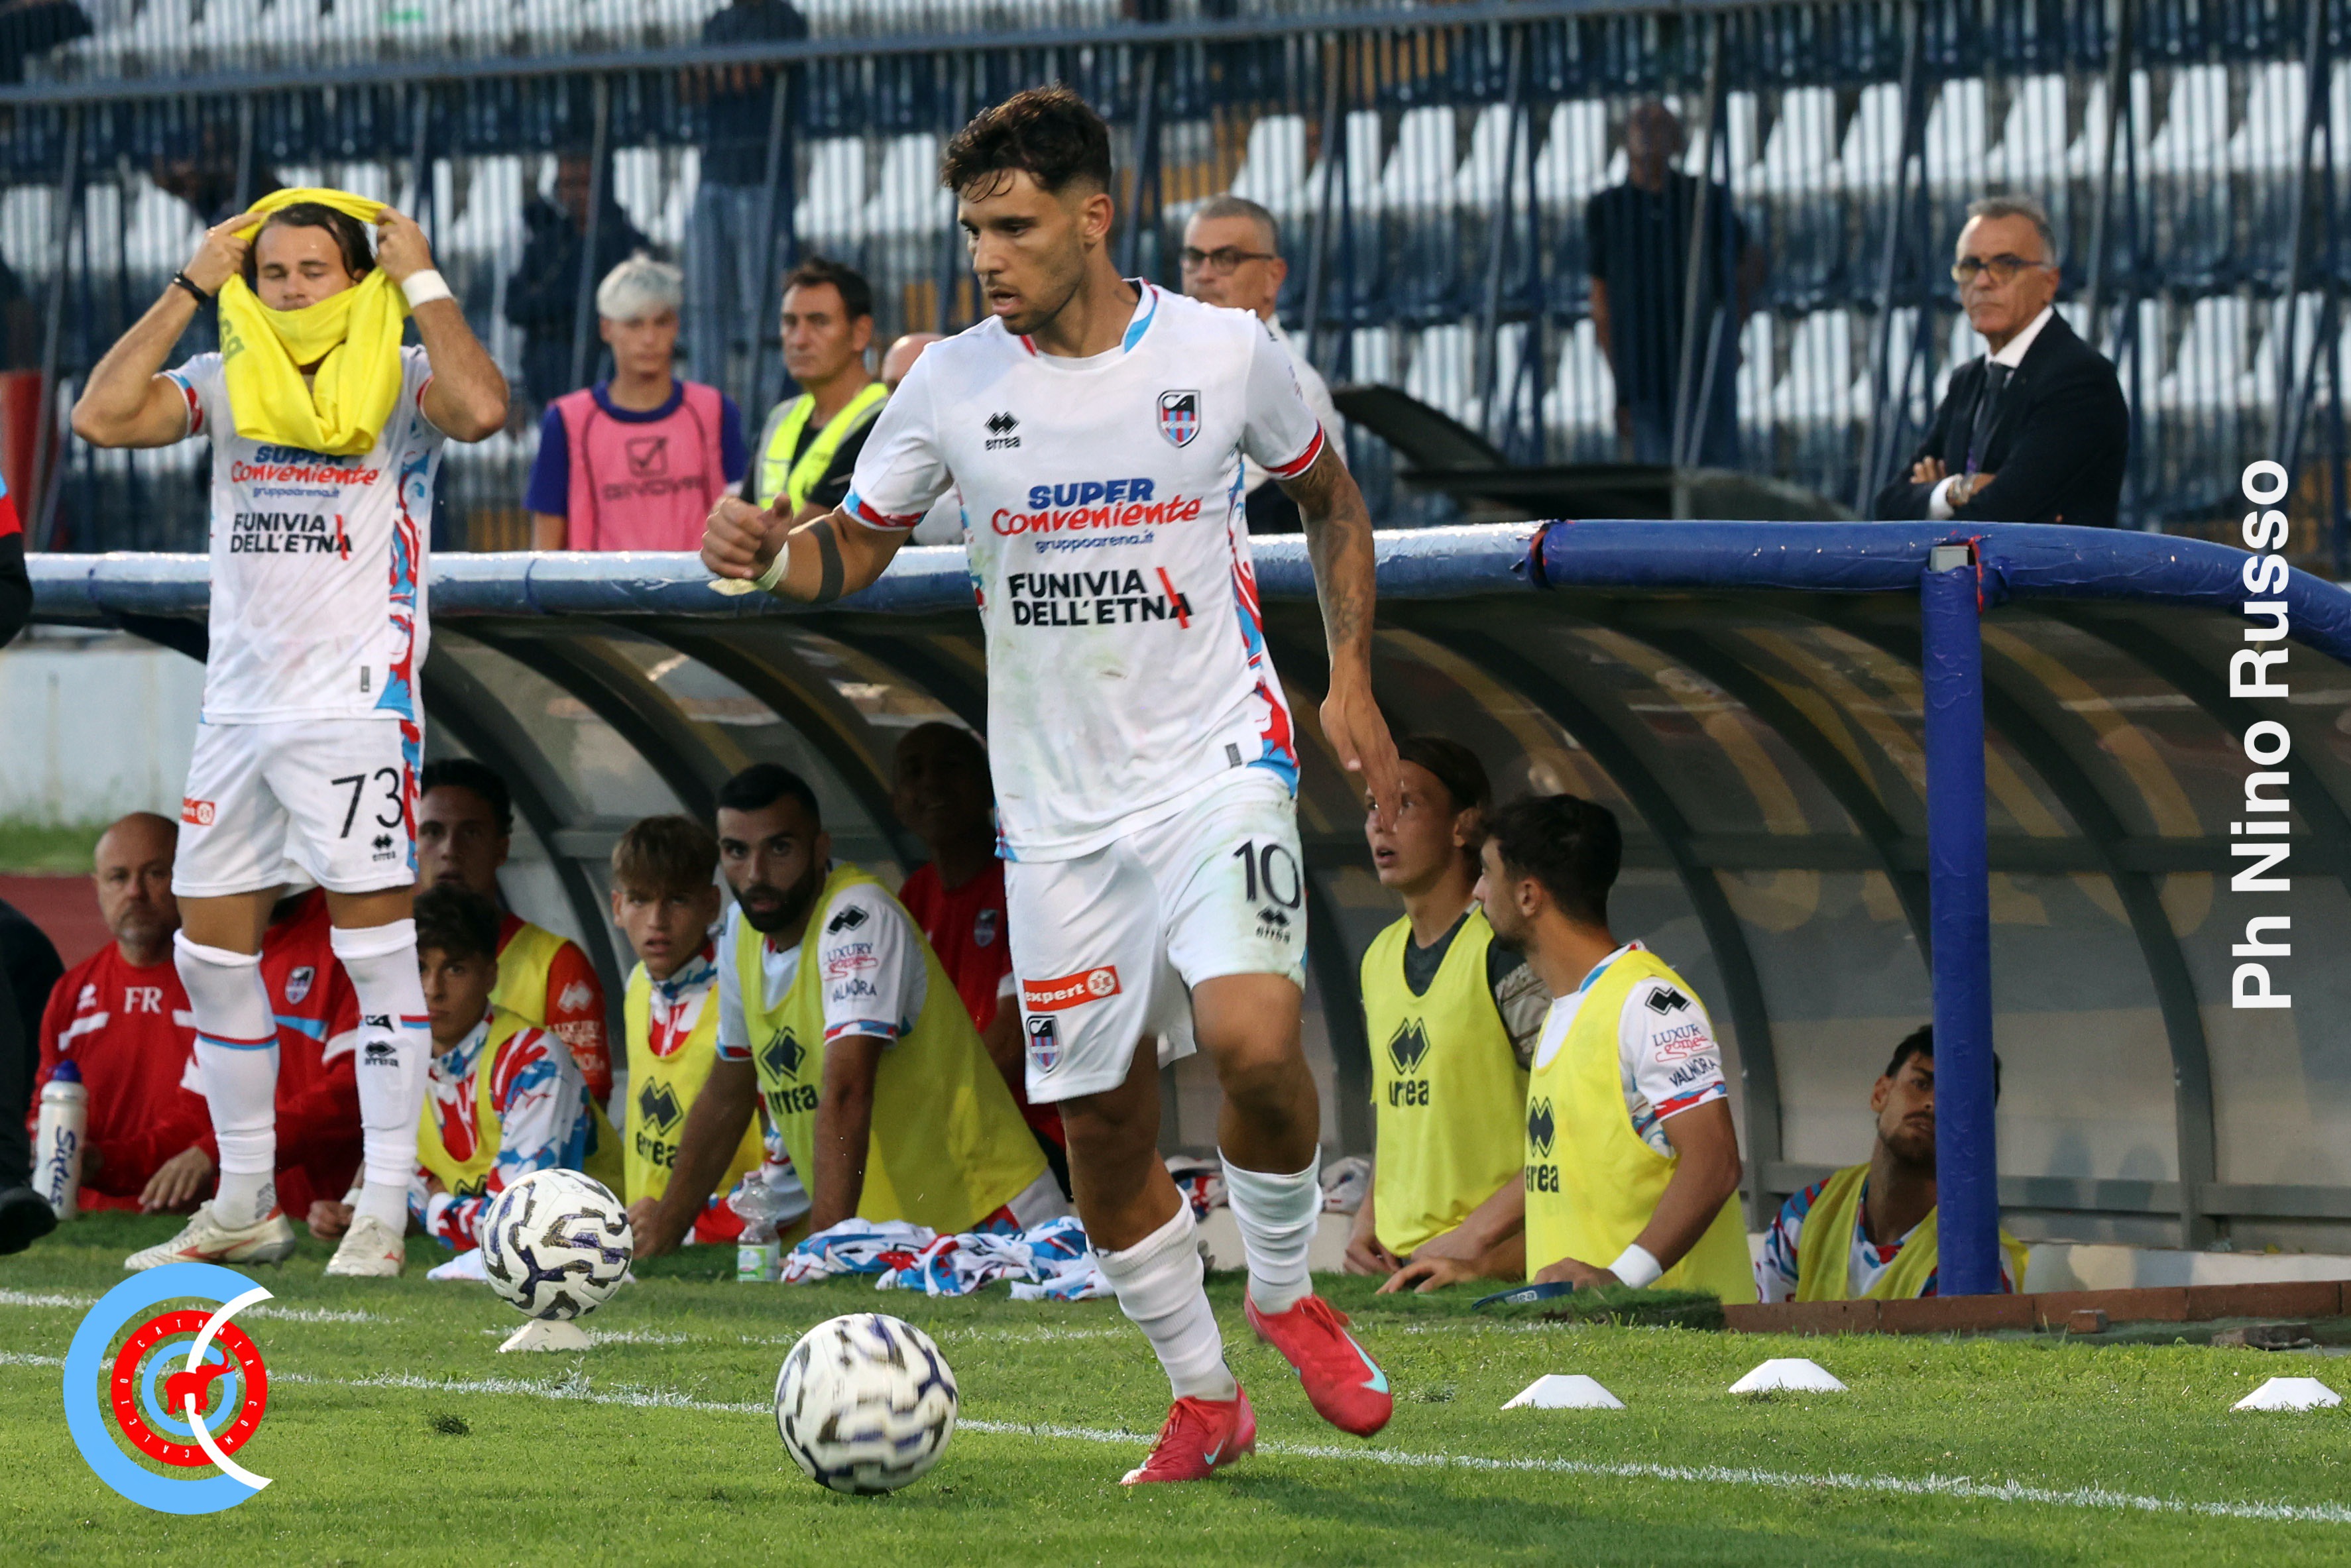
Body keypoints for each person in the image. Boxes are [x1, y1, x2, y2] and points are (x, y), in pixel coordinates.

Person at [703, 85, 1403, 1484]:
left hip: (1216, 765)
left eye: (1014, 227)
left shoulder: (1223, 351)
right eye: (973, 230)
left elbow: (1331, 499)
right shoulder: (951, 381)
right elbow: (859, 544)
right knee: (1102, 1127)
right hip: (1056, 816)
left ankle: (1281, 1290)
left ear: (1095, 218)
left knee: (1257, 1042)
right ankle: (1203, 1393)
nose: (987, 256)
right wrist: (770, 554)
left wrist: (1352, 680)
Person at [71, 189, 508, 1277]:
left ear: (357, 277)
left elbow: (482, 408)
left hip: (353, 708)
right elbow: (101, 417)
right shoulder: (228, 377)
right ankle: (245, 1202)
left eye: (316, 270)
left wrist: (423, 278)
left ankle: (381, 1209)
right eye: (274, 272)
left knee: (376, 956)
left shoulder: (404, 375)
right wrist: (190, 285)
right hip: (237, 711)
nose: (294, 289)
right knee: (210, 954)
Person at [631, 762, 1055, 1256]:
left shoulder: (858, 916)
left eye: (779, 849)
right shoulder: (740, 930)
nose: (756, 874)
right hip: (897, 1236)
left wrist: (822, 1253)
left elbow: (848, 1090)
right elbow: (728, 1092)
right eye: (737, 852)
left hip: (986, 1216)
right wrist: (663, 1233)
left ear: (820, 849)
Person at [1383, 795, 1754, 1305]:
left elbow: (1715, 1163)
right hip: (1596, 1339)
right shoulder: (1566, 1011)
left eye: (1486, 874)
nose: (1476, 892)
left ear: (1528, 896)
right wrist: (1480, 1267)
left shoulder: (1648, 1004)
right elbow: (1575, 1206)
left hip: (1677, 1336)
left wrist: (1619, 1279)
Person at [1341, 739, 1544, 1278]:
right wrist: (1368, 1217)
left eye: (1404, 804)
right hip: (1401, 1263)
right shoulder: (1378, 956)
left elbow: (1574, 1121)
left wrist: (1476, 1239)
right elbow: (1400, 1113)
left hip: (1495, 1258)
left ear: (1463, 826)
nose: (1380, 823)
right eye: (1372, 806)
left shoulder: (1504, 950)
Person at [1872, 195, 2129, 528]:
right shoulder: (1967, 381)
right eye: (1970, 266)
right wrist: (1955, 490)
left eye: (2006, 265)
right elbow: (1889, 506)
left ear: (2049, 282)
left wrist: (1931, 498)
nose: (1982, 281)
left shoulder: (2081, 379)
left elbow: (2002, 514)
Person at [890, 722, 1068, 1194]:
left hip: (1032, 1133)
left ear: (990, 785)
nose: (931, 783)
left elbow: (1012, 1043)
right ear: (896, 802)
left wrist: (920, 1117)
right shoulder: (915, 895)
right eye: (913, 771)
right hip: (950, 1128)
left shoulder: (1022, 884)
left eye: (950, 767)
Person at [404, 883, 616, 1256]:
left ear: (490, 976)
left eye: (455, 968)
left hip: (598, 1252)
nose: (433, 989)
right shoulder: (396, 1057)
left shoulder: (534, 1060)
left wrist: (435, 1205)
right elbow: (395, 1191)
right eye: (419, 967)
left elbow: (518, 1226)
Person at [1756, 1025, 2026, 1302]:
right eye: (1921, 1084)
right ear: (1880, 1093)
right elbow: (1761, 1324)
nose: (1932, 1104)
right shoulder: (1808, 1213)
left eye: (1956, 1100)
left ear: (1977, 1133)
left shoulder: (1976, 1261)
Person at [29, 814, 210, 1215]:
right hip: (86, 1216)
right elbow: (45, 1100)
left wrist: (107, 1163)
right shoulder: (73, 991)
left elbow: (207, 1118)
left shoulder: (220, 984)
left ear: (190, 877)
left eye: (156, 874)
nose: (135, 892)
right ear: (97, 888)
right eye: (118, 877)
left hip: (190, 1214)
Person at [415, 759, 610, 1103]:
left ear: (502, 849)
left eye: (470, 833)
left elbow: (583, 1110)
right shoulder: (381, 957)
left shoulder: (556, 965)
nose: (450, 850)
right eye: (432, 832)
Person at [526, 257, 750, 552]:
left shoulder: (716, 411)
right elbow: (544, 550)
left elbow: (743, 519)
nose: (649, 338)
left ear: (676, 326)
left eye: (661, 322)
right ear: (606, 329)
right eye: (634, 324)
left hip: (701, 582)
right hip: (601, 584)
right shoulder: (566, 421)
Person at [610, 814, 762, 1245]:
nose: (657, 920)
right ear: (617, 908)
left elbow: (789, 1153)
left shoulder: (742, 994)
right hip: (650, 1239)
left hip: (728, 1242)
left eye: (677, 900)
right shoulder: (637, 984)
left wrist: (686, 1221)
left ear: (711, 905)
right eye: (640, 900)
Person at [1587, 100, 1762, 469]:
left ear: (1678, 140)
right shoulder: (1608, 207)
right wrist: (1620, 381)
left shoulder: (1703, 199)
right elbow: (1600, 299)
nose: (1647, 131)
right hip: (1643, 373)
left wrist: (1731, 333)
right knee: (1661, 478)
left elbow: (1747, 264)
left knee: (1711, 477)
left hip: (1701, 362)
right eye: (1640, 122)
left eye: (1659, 124)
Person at [1177, 194, 1345, 535]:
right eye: (1194, 258)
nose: (1204, 275)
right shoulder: (1168, 366)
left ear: (1273, 276)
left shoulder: (1291, 382)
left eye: (1226, 259)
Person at [685, 0, 809, 394]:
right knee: (705, 303)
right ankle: (707, 399)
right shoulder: (718, 23)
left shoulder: (785, 19)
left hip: (763, 177)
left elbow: (749, 76)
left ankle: (769, 403)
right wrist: (730, 73)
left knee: (764, 305)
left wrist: (724, 73)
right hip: (714, 175)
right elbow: (692, 87)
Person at [504, 154, 655, 412]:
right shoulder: (546, 245)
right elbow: (515, 307)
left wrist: (552, 302)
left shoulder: (628, 243)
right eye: (568, 185)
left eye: (585, 184)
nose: (577, 194)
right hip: (551, 379)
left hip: (613, 379)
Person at [745, 256, 886, 524]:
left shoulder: (885, 417)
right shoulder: (781, 418)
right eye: (790, 322)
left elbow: (822, 530)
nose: (799, 340)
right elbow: (744, 513)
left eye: (819, 322)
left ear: (861, 332)